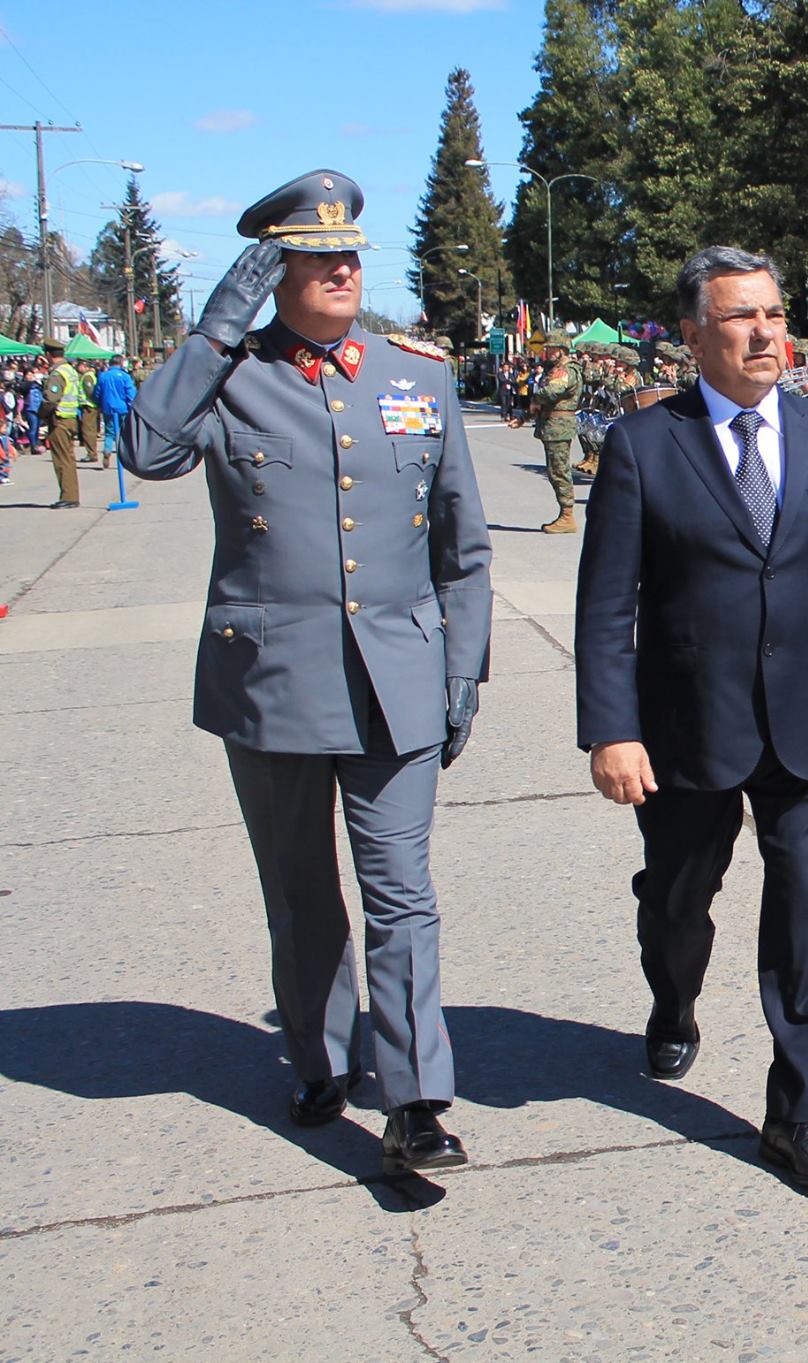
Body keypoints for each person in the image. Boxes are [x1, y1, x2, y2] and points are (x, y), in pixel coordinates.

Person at [120, 169, 492, 1173]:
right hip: (272, 680)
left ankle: (415, 1099)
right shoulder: (231, 375)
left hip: (397, 677)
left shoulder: (417, 378)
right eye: (314, 255)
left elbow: (461, 544)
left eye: (348, 253)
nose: (340, 269)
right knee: (300, 889)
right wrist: (213, 333)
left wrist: (464, 665)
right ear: (270, 272)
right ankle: (321, 1056)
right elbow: (147, 450)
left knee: (400, 891)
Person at [576, 245, 808, 1191]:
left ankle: (797, 1116)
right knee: (678, 898)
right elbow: (607, 603)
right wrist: (611, 729)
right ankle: (672, 998)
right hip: (686, 723)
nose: (765, 332)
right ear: (693, 337)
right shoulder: (644, 443)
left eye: (773, 314)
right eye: (739, 317)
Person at [532, 333, 581, 533]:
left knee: (559, 471)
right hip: (552, 425)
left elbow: (552, 391)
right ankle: (565, 514)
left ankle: (567, 516)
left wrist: (536, 397)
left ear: (562, 349)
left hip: (559, 427)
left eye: (552, 348)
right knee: (555, 471)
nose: (548, 351)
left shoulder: (566, 370)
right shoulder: (556, 369)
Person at [41, 339, 83, 508]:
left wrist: (40, 415)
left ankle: (68, 496)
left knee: (62, 460)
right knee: (68, 458)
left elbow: (50, 400)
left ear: (48, 354)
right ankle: (71, 494)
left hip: (60, 420)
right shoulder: (70, 370)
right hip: (70, 417)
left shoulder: (57, 374)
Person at [95, 355, 137, 460]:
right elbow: (130, 393)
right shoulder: (125, 376)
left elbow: (97, 392)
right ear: (121, 363)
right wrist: (132, 406)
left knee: (109, 432)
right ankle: (123, 454)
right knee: (124, 432)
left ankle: (107, 449)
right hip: (123, 408)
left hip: (108, 407)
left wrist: (99, 404)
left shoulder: (103, 376)